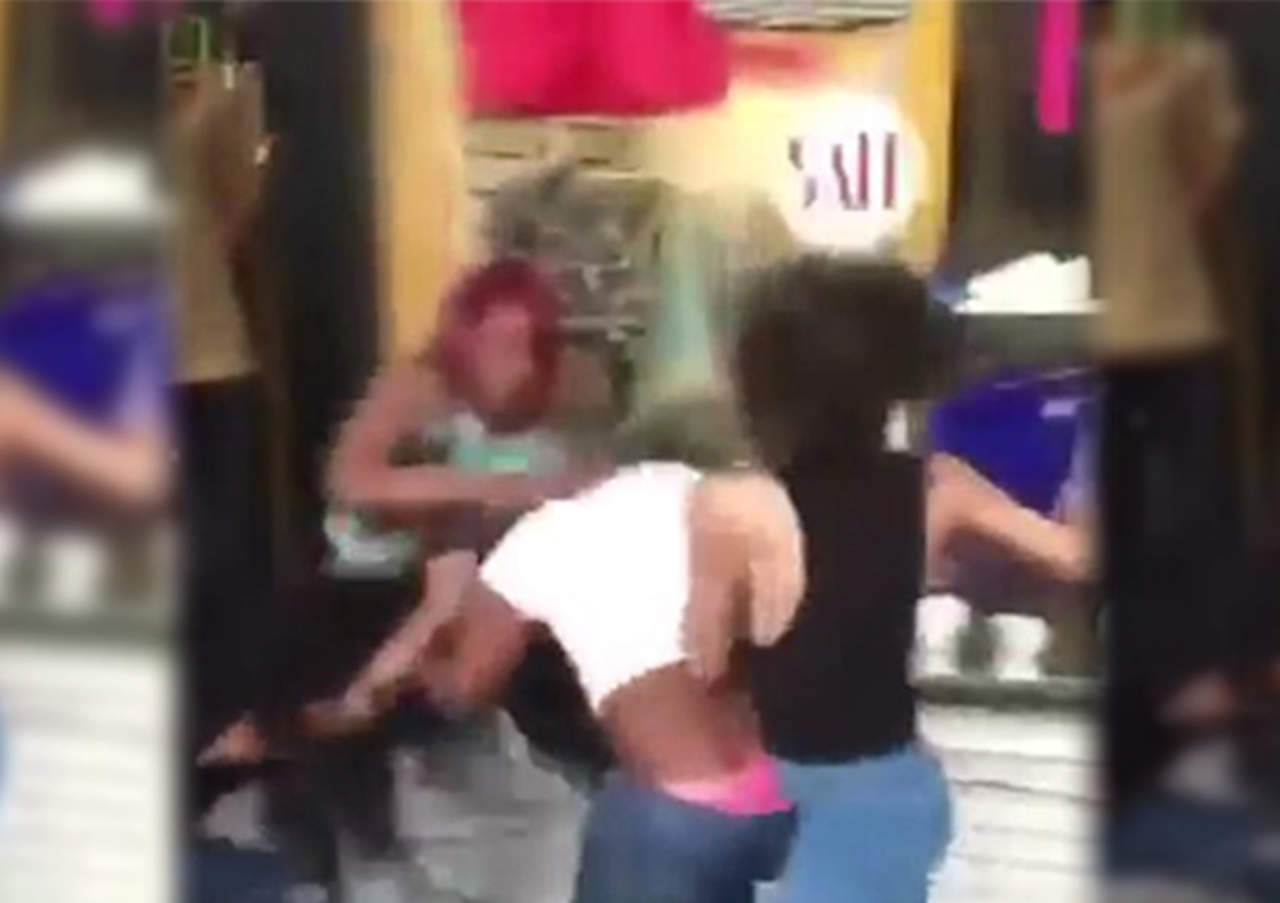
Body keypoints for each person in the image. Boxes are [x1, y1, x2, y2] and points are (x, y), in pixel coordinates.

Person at [701, 256, 1091, 903]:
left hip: (769, 786)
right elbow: (1077, 557)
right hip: (885, 787)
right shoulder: (937, 485)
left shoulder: (735, 505)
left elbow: (709, 665)